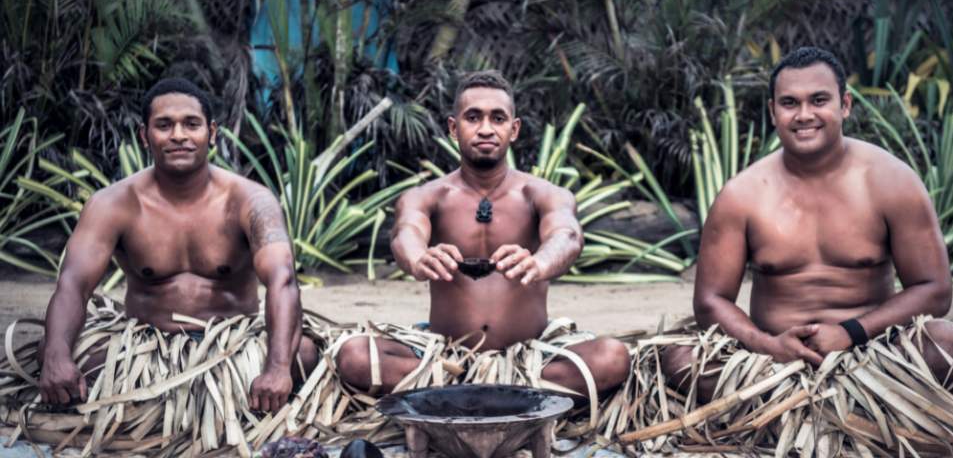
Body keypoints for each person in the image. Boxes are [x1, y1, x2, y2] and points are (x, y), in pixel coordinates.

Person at [662, 46, 953, 400]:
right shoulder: (742, 194)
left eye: (819, 100)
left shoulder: (891, 181)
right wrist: (768, 345)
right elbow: (711, 301)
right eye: (790, 103)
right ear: (773, 111)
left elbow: (935, 289)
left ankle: (852, 411)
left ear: (844, 105)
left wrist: (851, 332)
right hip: (770, 364)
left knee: (946, 340)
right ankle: (789, 413)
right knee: (680, 358)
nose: (804, 114)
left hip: (876, 353)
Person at [334, 70, 630, 398]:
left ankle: (471, 395)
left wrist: (539, 262)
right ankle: (493, 394)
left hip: (530, 360)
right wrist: (419, 259)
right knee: (354, 356)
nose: (486, 129)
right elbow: (406, 232)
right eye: (473, 117)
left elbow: (567, 235)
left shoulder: (543, 193)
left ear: (513, 129)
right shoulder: (428, 196)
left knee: (612, 358)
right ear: (453, 128)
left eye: (497, 118)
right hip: (445, 360)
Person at [37, 77, 318, 413]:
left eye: (191, 124)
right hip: (145, 348)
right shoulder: (113, 203)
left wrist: (276, 367)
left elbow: (283, 280)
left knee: (301, 355)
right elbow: (73, 284)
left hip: (234, 344)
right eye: (164, 125)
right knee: (52, 350)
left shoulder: (251, 201)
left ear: (211, 133)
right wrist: (55, 355)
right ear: (145, 135)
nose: (179, 136)